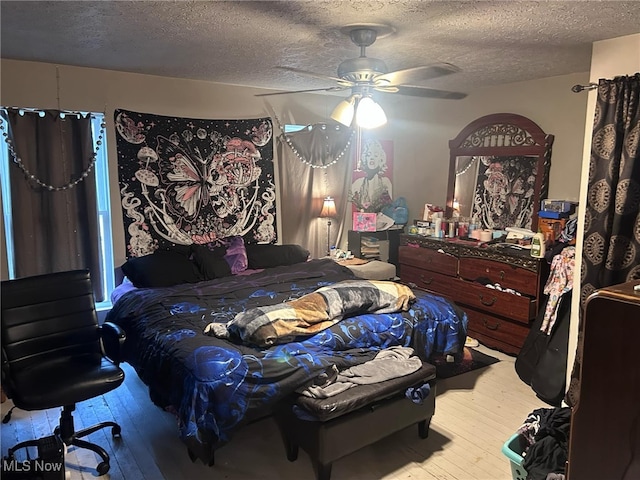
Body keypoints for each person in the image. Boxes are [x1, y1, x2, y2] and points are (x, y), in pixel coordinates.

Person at [350, 139, 392, 212]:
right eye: (369, 155)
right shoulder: (358, 183)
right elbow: (349, 198)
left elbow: (391, 205)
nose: (372, 158)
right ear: (365, 158)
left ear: (380, 159)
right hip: (362, 220)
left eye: (375, 155)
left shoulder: (385, 182)